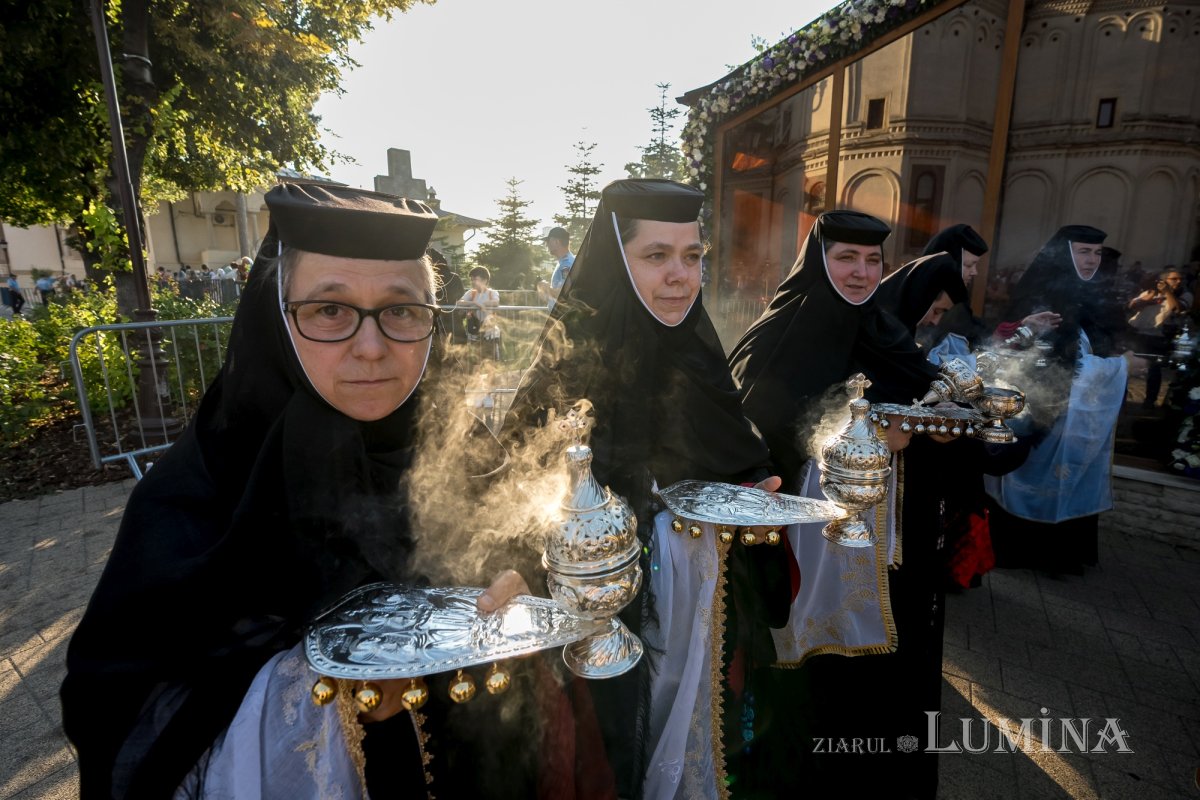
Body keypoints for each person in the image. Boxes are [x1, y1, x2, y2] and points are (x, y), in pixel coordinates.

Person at [60, 184, 545, 799]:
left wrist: (520, 579)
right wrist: (327, 684)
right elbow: (114, 699)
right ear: (276, 316)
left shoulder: (463, 442)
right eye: (329, 311)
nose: (371, 349)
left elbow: (520, 546)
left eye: (401, 310)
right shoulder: (204, 487)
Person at [505, 178, 789, 800]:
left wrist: (754, 496)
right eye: (656, 256)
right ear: (618, 257)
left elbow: (737, 455)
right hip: (607, 621)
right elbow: (520, 495)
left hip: (706, 601)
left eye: (692, 257)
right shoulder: (569, 364)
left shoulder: (700, 354)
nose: (680, 277)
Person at [729, 210, 960, 798]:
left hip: (892, 550)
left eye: (872, 261)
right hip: (811, 547)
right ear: (818, 260)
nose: (861, 273)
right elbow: (754, 435)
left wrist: (931, 434)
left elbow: (921, 396)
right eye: (846, 258)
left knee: (883, 680)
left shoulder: (885, 329)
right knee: (814, 687)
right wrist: (854, 439)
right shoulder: (782, 330)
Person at [986, 225, 1138, 574]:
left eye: (1097, 253)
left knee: (1070, 481)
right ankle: (1026, 554)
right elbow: (1037, 364)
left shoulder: (1096, 297)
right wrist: (1122, 367)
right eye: (1084, 251)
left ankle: (1062, 556)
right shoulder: (1038, 295)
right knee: (1035, 481)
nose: (1091, 260)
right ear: (1065, 253)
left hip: (1081, 418)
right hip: (1043, 414)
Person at [459, 265, 502, 361]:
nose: (473, 282)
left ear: (485, 280)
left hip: (490, 334)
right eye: (471, 279)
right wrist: (474, 303)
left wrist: (483, 304)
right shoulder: (471, 293)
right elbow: (459, 302)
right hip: (475, 332)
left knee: (491, 362)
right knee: (476, 362)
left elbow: (496, 302)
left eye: (475, 279)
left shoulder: (492, 292)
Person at [537, 226, 575, 310]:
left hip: (562, 317)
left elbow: (564, 292)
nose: (546, 244)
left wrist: (546, 287)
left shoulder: (566, 264)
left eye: (548, 241)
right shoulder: (563, 262)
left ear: (557, 242)